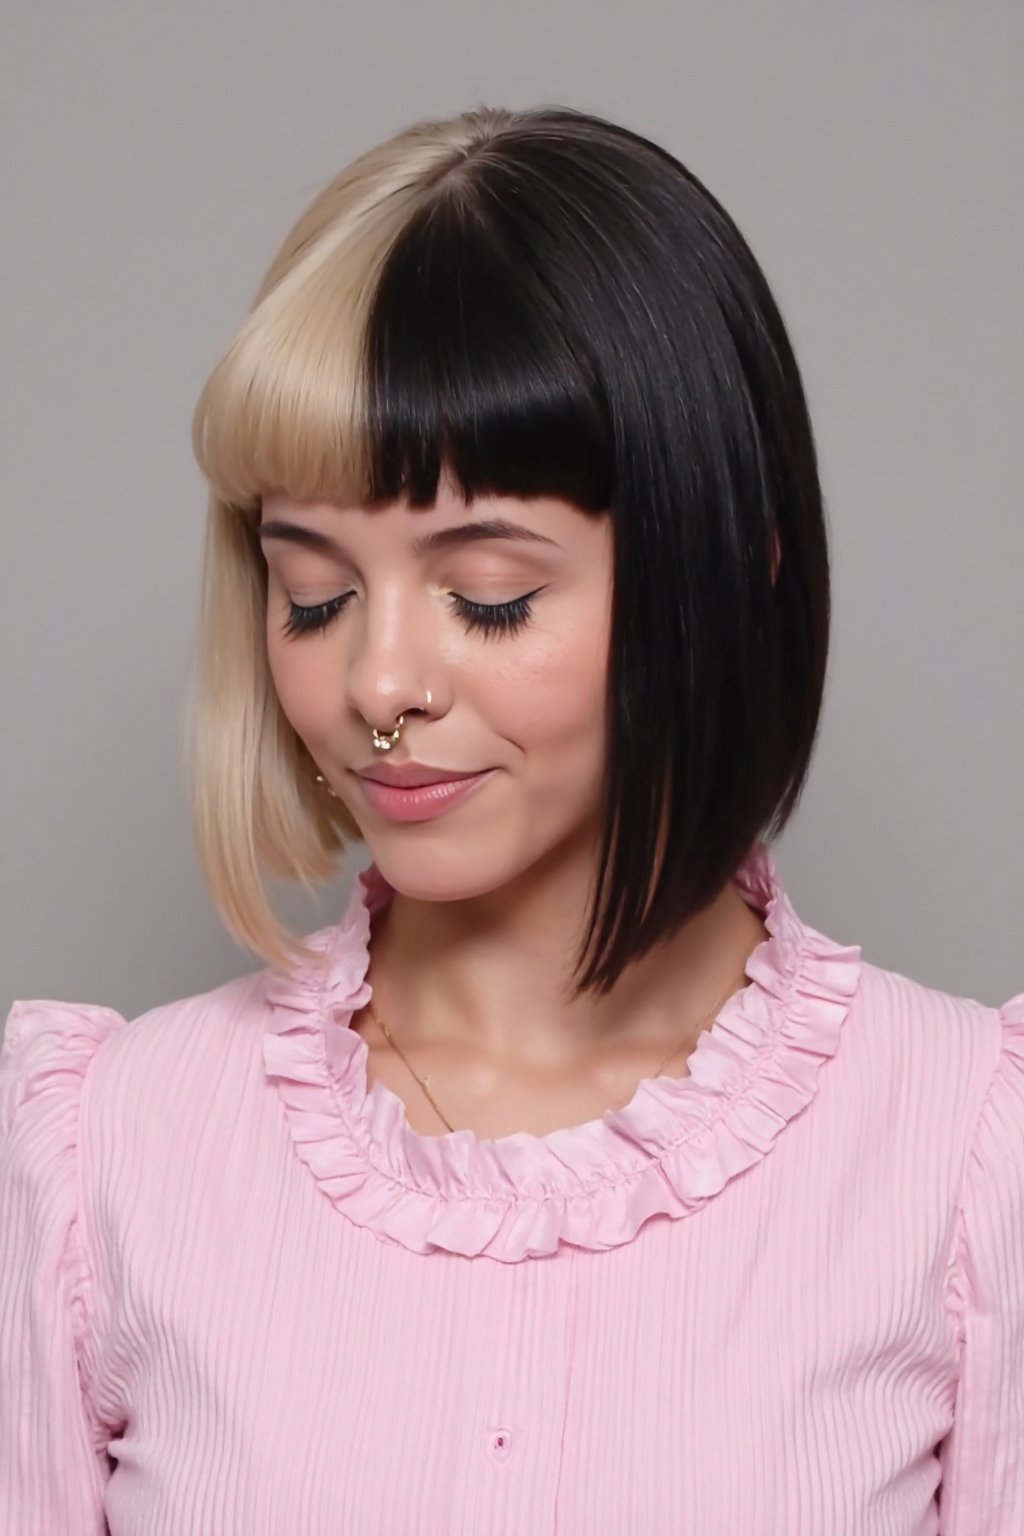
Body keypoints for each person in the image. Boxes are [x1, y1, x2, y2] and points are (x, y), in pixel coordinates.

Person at [1, 102, 1021, 1535]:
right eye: (314, 592)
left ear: (730, 568)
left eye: (489, 594)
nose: (379, 683)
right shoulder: (108, 1149)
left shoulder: (966, 1149)